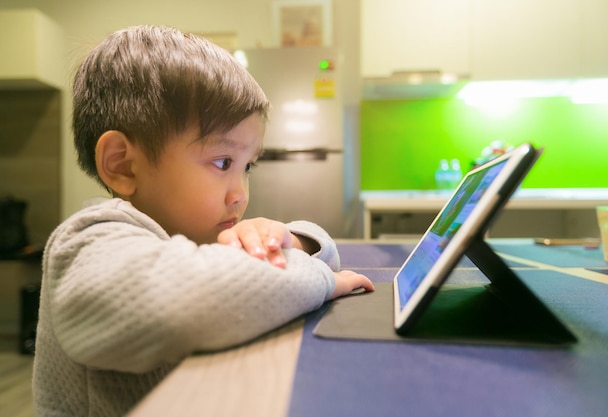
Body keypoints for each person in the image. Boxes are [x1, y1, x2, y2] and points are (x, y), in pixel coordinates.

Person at [32, 25, 374, 417]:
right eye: (223, 162)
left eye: (248, 166)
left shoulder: (190, 234)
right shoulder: (89, 241)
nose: (240, 193)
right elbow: (178, 307)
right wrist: (320, 279)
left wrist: (290, 240)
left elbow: (319, 251)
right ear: (122, 164)